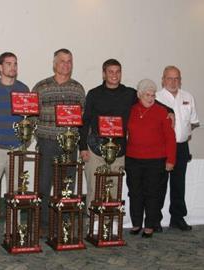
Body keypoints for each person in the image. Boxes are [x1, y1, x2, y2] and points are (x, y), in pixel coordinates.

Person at [32, 48, 85, 235]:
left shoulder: (78, 88)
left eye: (69, 61)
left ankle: (64, 223)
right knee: (44, 184)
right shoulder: (41, 86)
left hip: (70, 146)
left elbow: (82, 116)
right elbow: (31, 115)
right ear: (54, 64)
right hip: (47, 143)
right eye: (62, 61)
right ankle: (44, 224)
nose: (66, 64)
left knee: (67, 185)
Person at [79, 59, 138, 208]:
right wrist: (83, 148)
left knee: (114, 189)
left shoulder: (130, 94)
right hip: (95, 149)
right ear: (104, 74)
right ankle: (93, 225)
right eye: (110, 72)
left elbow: (149, 100)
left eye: (117, 72)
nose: (114, 75)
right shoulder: (93, 94)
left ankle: (111, 225)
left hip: (119, 150)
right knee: (95, 189)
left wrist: (169, 111)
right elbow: (84, 121)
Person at [125, 79, 176, 238]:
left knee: (152, 193)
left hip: (156, 160)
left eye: (153, 95)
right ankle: (136, 223)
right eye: (147, 94)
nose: (150, 98)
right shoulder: (131, 110)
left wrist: (171, 160)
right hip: (133, 159)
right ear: (139, 95)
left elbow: (170, 138)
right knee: (135, 193)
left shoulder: (162, 112)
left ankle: (150, 225)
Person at [0, 52, 29, 206]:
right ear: (0, 67)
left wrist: (25, 139)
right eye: (8, 64)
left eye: (15, 63)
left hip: (16, 148)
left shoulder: (23, 89)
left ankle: (14, 227)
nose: (12, 67)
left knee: (16, 191)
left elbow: (27, 118)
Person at [156, 66, 200, 231]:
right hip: (161, 148)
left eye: (177, 79)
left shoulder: (187, 96)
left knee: (178, 184)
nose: (173, 82)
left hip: (181, 147)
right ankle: (155, 219)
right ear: (163, 79)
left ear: (180, 80)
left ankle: (177, 217)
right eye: (170, 78)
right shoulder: (157, 98)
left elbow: (194, 122)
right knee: (159, 184)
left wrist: (184, 133)